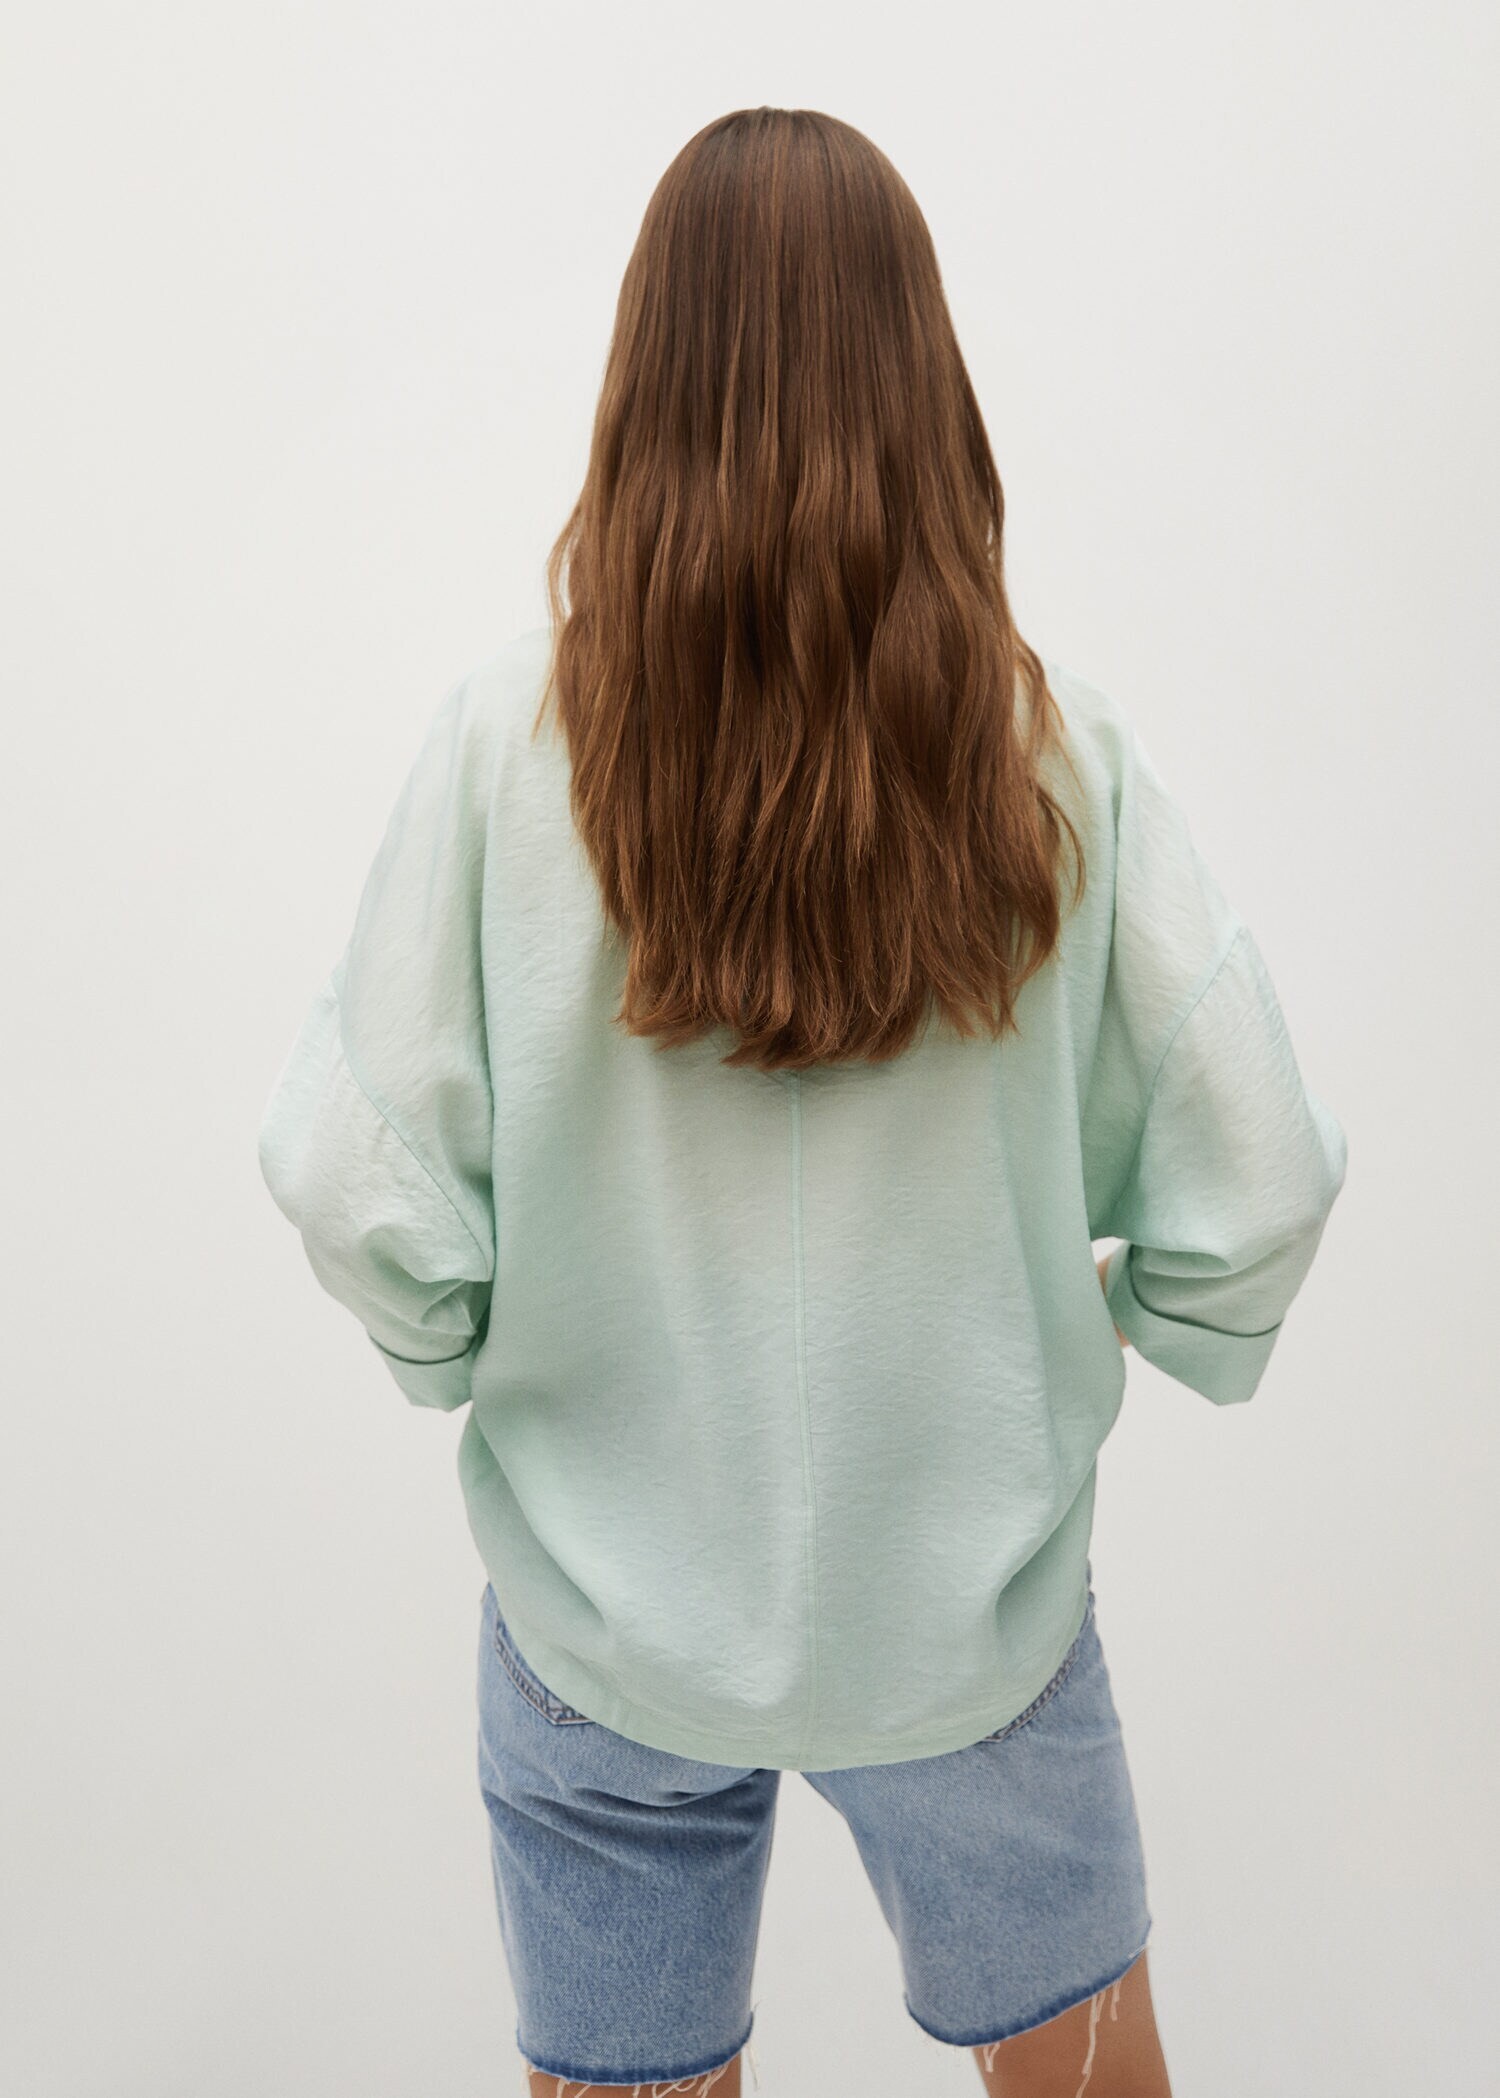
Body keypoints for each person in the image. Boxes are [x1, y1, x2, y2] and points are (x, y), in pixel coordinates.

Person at [257, 106, 1347, 2098]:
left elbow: (353, 1171)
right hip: (970, 1624)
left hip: (607, 1619)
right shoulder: (1049, 750)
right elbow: (1259, 1170)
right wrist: (1133, 1319)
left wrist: (467, 1345)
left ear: (644, 376)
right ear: (923, 384)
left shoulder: (506, 743)